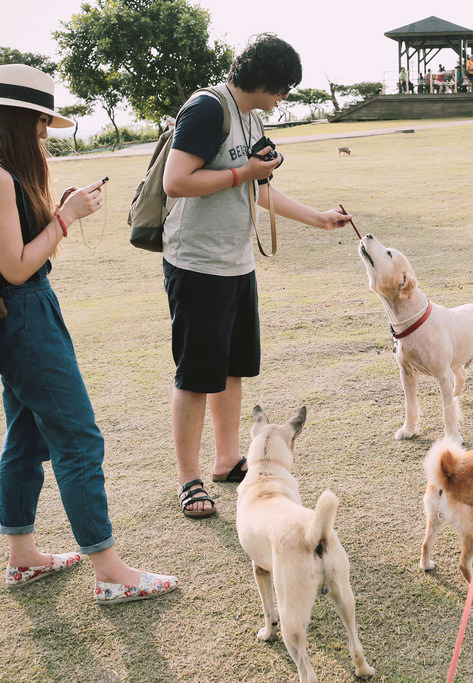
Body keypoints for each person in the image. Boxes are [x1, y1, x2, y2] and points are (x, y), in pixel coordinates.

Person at [0, 64, 178, 604]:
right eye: (39, 123)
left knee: (28, 435)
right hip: (22, 311)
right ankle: (109, 570)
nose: (42, 134)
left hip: (18, 312)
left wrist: (57, 215)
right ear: (21, 119)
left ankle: (23, 557)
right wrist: (66, 218)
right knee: (78, 438)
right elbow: (14, 267)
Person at [161, 34, 351, 519]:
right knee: (196, 375)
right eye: (283, 88)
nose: (284, 98)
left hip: (236, 263)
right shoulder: (207, 109)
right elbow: (176, 180)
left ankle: (228, 460)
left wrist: (318, 217)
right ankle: (189, 479)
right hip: (197, 264)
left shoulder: (253, 117)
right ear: (265, 81)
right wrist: (242, 173)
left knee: (232, 366)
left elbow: (261, 191)